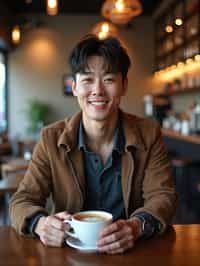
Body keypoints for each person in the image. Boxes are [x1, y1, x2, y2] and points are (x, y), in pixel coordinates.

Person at [10, 35, 177, 254]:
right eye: (88, 80)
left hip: (130, 252)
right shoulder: (51, 138)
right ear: (75, 86)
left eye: (108, 79)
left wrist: (136, 227)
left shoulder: (149, 133)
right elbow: (22, 200)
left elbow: (163, 196)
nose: (97, 90)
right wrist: (40, 224)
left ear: (124, 85)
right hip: (67, 255)